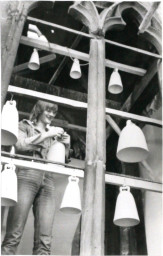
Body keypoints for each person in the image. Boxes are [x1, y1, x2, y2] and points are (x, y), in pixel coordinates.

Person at [1, 100, 70, 255]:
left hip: (49, 180)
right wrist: (47, 134)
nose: (52, 114)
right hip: (27, 174)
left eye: (54, 112)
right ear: (39, 110)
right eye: (49, 111)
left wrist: (66, 145)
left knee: (45, 240)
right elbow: (19, 145)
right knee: (14, 233)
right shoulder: (25, 125)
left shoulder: (54, 135)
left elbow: (60, 162)